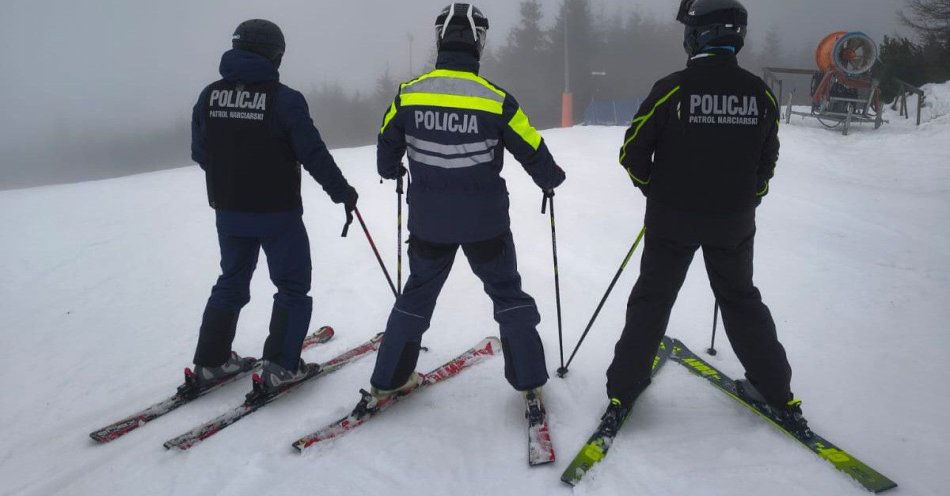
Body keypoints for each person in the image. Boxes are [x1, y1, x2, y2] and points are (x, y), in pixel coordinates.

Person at [601, 0, 812, 438]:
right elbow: (767, 155)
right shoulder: (759, 92)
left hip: (673, 220)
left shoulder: (673, 88)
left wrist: (655, 189)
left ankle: (625, 386)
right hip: (732, 222)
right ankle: (775, 389)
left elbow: (632, 152)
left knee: (652, 300)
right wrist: (750, 194)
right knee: (740, 300)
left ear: (696, 35)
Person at [368, 3, 565, 405]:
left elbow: (386, 145)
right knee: (508, 294)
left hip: (429, 223)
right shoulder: (495, 99)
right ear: (478, 43)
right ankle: (529, 379)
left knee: (417, 294)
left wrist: (391, 169)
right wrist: (550, 179)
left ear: (441, 39)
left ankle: (388, 378)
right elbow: (532, 148)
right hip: (486, 225)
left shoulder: (409, 93)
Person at [188, 19, 358, 394]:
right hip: (277, 214)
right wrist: (342, 192)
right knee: (293, 287)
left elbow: (201, 153)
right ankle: (282, 366)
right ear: (273, 54)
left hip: (229, 212)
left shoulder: (209, 95)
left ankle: (210, 361)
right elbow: (312, 153)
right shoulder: (285, 100)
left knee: (231, 281)